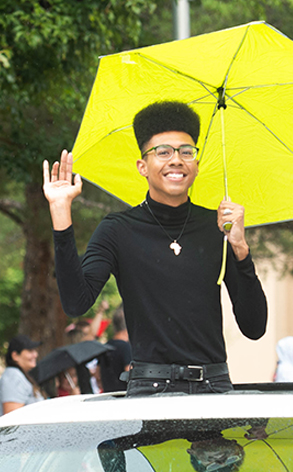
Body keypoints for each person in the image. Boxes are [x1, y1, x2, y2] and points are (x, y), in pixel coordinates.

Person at [42, 100, 268, 396]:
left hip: (214, 387)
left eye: (186, 152)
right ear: (142, 167)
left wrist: (240, 247)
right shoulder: (117, 229)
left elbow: (254, 326)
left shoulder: (218, 228)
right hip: (150, 388)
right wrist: (61, 213)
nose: (176, 160)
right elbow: (76, 302)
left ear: (196, 166)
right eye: (163, 152)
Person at [0, 335, 44, 415]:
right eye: (30, 351)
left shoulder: (19, 375)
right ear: (15, 356)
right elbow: (12, 417)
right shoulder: (13, 377)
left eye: (34, 350)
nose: (35, 355)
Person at [100, 305, 132, 392]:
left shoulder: (105, 346)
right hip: (123, 395)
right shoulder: (126, 347)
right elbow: (130, 374)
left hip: (108, 395)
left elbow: (97, 375)